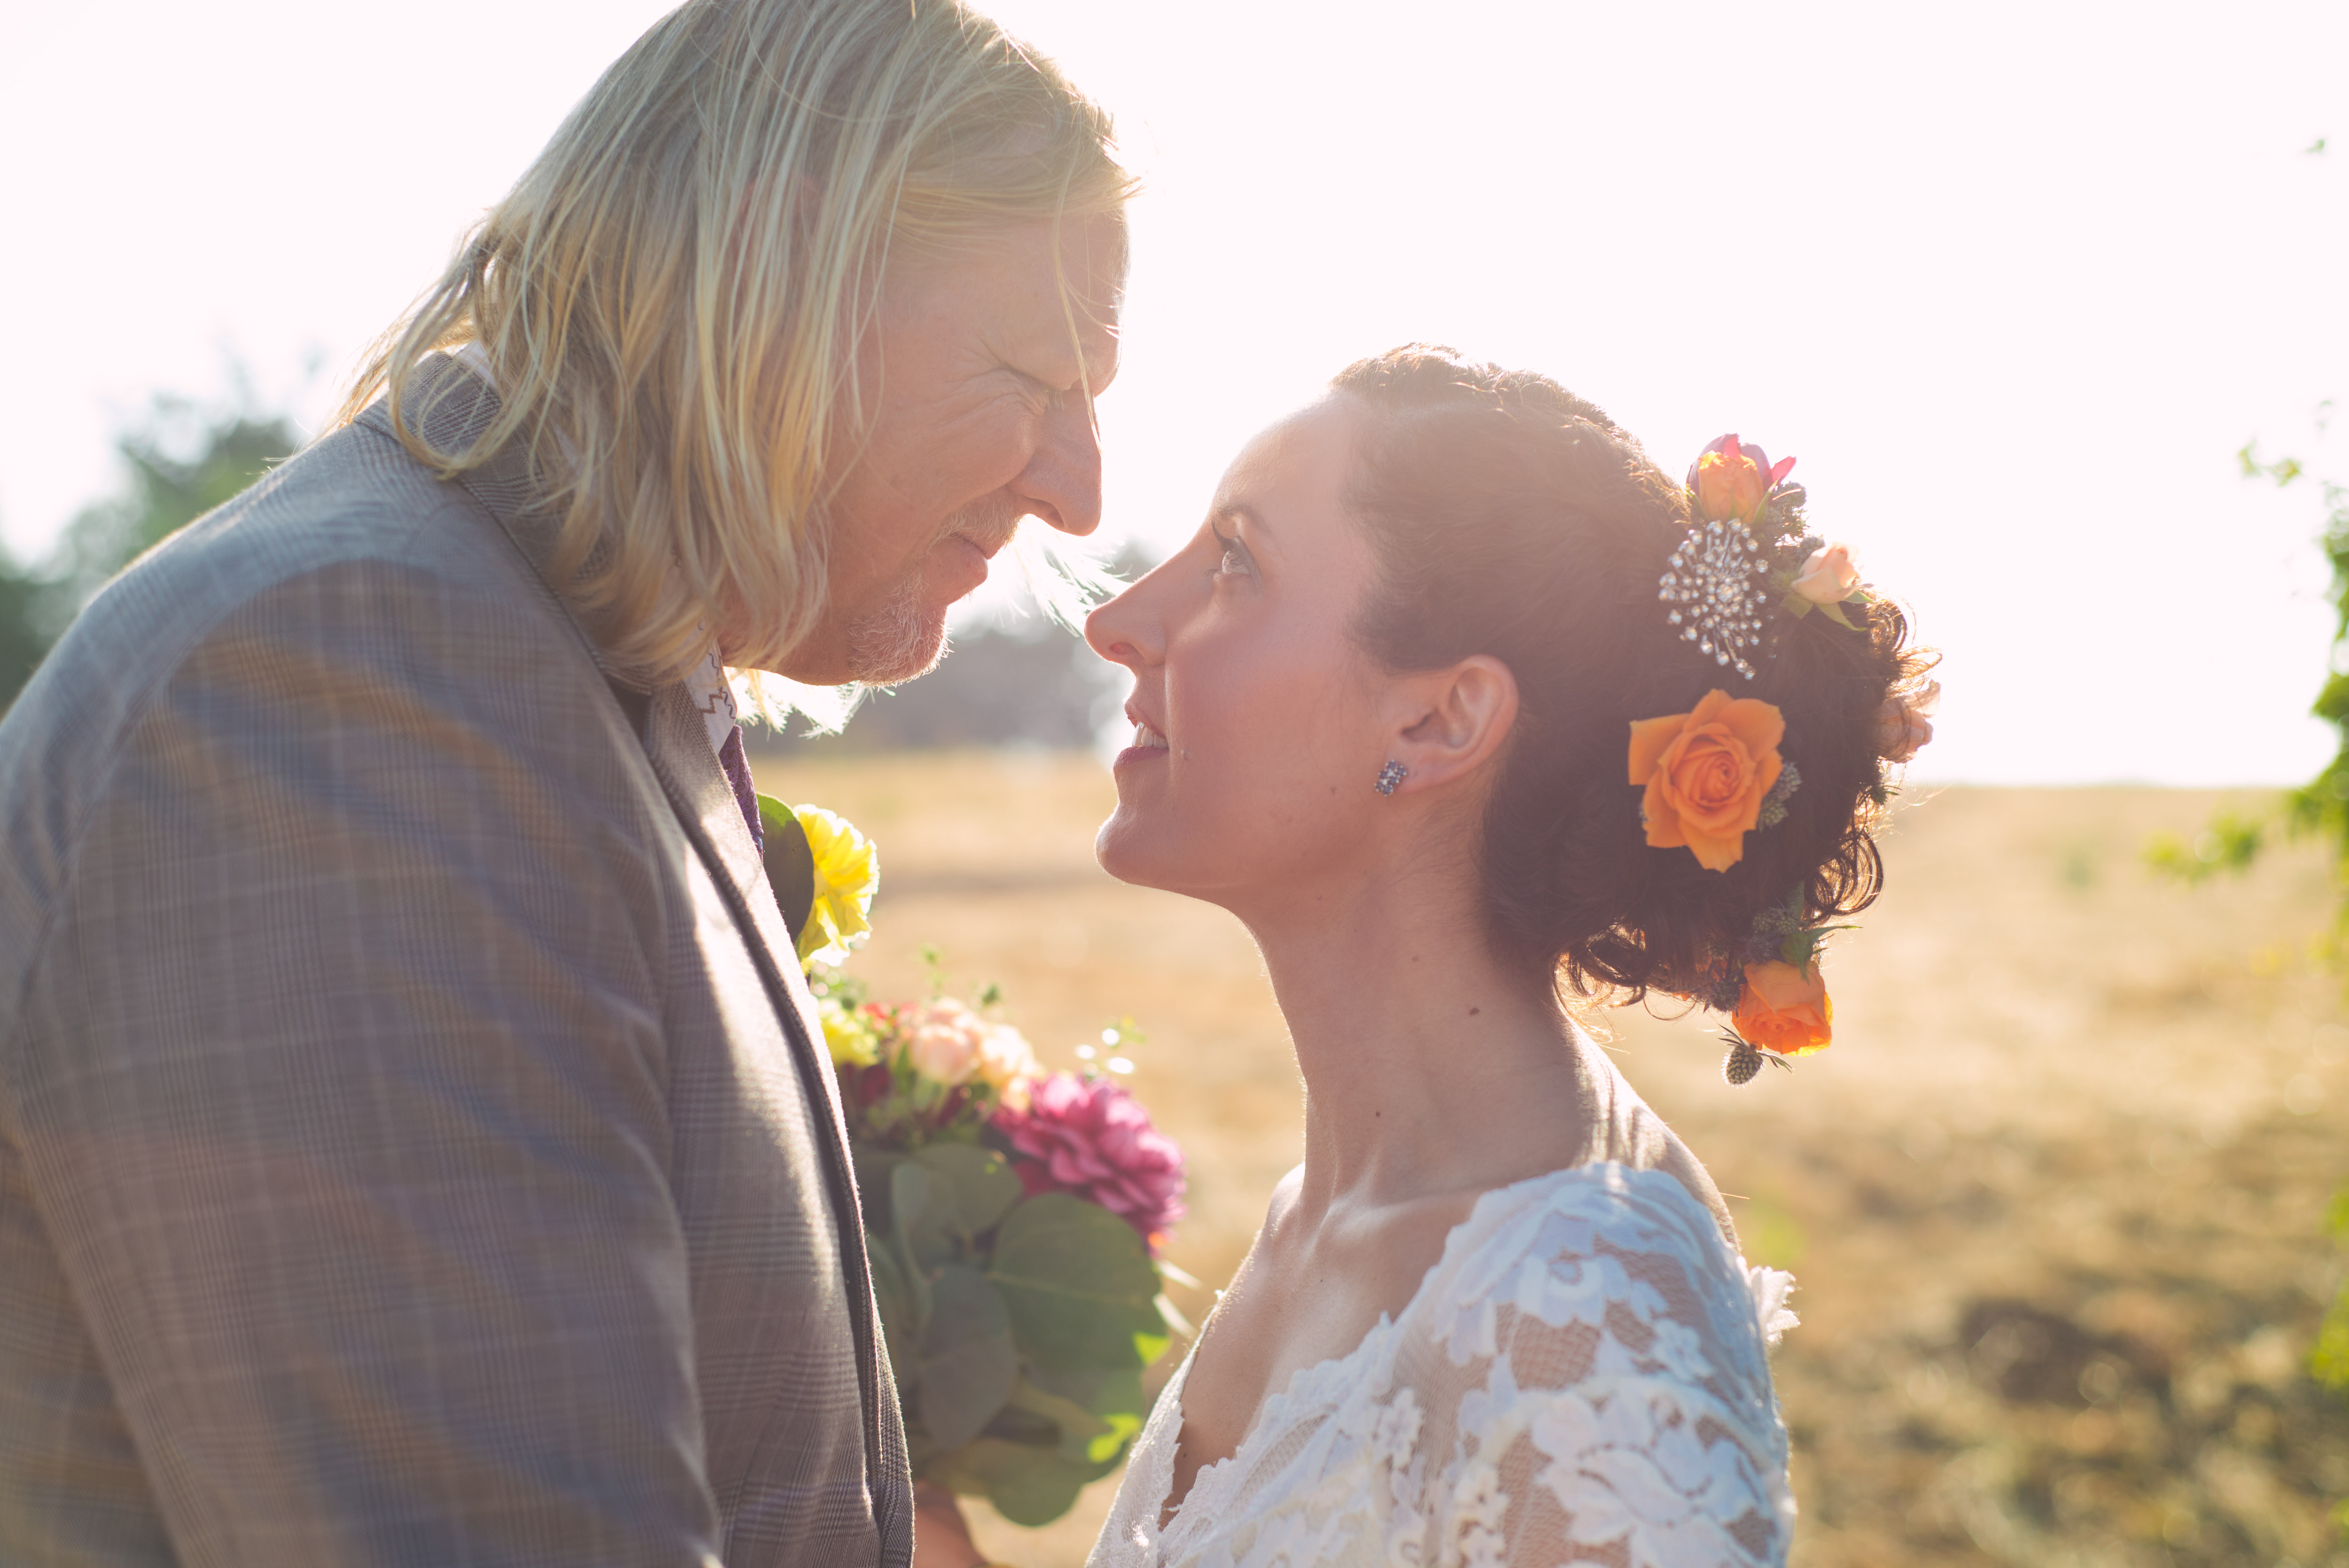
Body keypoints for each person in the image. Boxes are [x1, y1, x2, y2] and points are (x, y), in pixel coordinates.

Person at [0, 0, 1126, 1563]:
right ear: (778, 269)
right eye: (1036, 376)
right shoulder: (354, 684)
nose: (1080, 489)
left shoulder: (572, 675)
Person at [1079, 347, 1937, 1568]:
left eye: (1237, 563)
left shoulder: (1583, 1300)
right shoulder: (1311, 1218)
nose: (1120, 623)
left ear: (1441, 720)